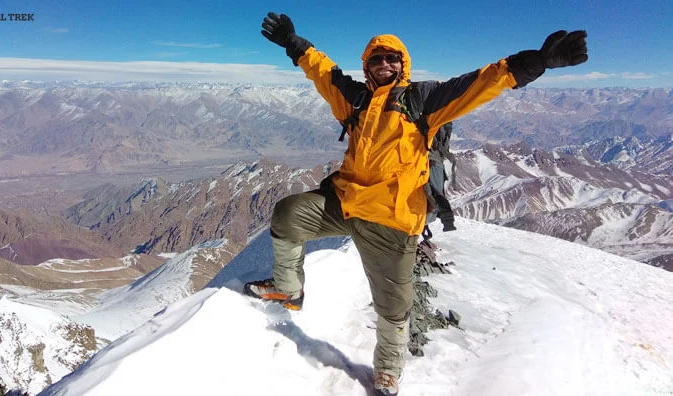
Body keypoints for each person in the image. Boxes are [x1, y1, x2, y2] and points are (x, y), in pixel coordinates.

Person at [244, 11, 587, 396]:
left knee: (393, 306)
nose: (385, 64)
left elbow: (480, 83)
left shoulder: (423, 100)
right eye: (377, 58)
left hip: (392, 220)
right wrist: (295, 43)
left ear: (402, 64)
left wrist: (535, 62)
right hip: (346, 203)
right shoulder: (355, 99)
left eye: (393, 58)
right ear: (368, 65)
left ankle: (387, 371)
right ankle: (289, 290)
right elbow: (324, 73)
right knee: (288, 213)